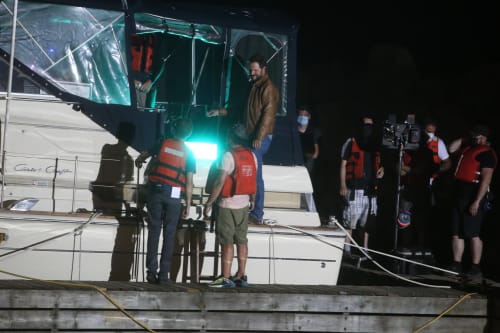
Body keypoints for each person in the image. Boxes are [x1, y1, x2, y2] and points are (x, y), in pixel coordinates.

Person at [207, 53, 279, 224]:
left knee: (255, 173)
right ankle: (238, 204)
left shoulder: (268, 88)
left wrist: (259, 137)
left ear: (263, 69)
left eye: (255, 70)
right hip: (249, 135)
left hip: (260, 137)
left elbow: (268, 115)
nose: (252, 73)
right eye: (250, 70)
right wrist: (220, 112)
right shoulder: (252, 85)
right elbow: (240, 110)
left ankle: (257, 213)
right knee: (241, 168)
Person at [134, 118, 196, 284]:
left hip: (157, 191)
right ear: (189, 134)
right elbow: (189, 183)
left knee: (154, 231)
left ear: (174, 130)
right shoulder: (190, 153)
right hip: (175, 195)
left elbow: (144, 156)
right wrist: (188, 204)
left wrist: (139, 160)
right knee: (169, 235)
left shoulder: (163, 143)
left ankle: (151, 272)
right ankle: (164, 275)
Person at [203, 123, 257, 288]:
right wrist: (253, 199)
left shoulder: (228, 155)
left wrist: (209, 202)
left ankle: (225, 278)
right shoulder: (251, 155)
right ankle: (241, 275)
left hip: (227, 204)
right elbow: (253, 179)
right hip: (244, 204)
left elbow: (220, 181)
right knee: (242, 240)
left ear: (231, 138)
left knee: (226, 241)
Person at [447, 124, 497, 278]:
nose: (474, 138)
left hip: (473, 195)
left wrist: (477, 201)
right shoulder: (467, 148)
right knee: (456, 232)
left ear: (483, 137)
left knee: (473, 233)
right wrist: (464, 138)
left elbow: (486, 179)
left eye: (477, 135)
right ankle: (456, 263)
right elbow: (451, 149)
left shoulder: (487, 154)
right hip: (459, 194)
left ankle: (475, 266)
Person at [398, 118, 451, 250]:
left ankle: (422, 248)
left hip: (422, 188)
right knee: (404, 218)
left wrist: (410, 170)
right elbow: (397, 167)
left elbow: (428, 167)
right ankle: (405, 246)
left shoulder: (428, 150)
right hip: (406, 188)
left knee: (421, 220)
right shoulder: (404, 149)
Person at [339, 115, 384, 257]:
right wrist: (343, 185)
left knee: (367, 222)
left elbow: (379, 164)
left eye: (371, 126)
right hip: (354, 187)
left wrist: (382, 170)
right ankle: (347, 249)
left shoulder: (375, 145)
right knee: (350, 220)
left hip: (370, 190)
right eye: (366, 125)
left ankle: (364, 249)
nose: (368, 129)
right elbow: (343, 165)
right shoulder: (351, 142)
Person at [297, 105, 322, 212]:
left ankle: (310, 210)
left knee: (307, 187)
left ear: (309, 117)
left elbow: (316, 153)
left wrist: (309, 156)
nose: (303, 117)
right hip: (295, 161)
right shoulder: (293, 129)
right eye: (301, 114)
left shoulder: (314, 131)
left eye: (305, 115)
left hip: (307, 163)